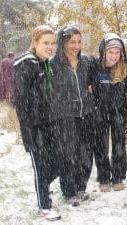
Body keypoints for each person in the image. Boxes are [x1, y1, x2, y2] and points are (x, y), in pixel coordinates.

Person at [14, 25, 61, 221]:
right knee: (41, 167)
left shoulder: (45, 63)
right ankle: (44, 205)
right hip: (35, 127)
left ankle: (44, 190)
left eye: (53, 43)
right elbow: (21, 103)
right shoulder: (26, 64)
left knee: (57, 162)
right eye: (45, 43)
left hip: (50, 123)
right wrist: (27, 133)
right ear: (35, 43)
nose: (50, 47)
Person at [51, 25, 97, 206]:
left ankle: (81, 187)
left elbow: (98, 81)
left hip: (87, 113)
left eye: (79, 42)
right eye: (72, 42)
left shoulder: (87, 61)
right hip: (65, 116)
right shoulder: (54, 64)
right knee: (68, 154)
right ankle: (69, 191)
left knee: (85, 153)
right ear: (63, 43)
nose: (76, 46)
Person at [89, 33, 127, 192]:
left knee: (119, 145)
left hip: (119, 111)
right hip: (100, 111)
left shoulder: (125, 68)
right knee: (101, 146)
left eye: (117, 52)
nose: (114, 56)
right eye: (110, 52)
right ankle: (104, 177)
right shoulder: (95, 66)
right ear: (104, 52)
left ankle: (118, 176)